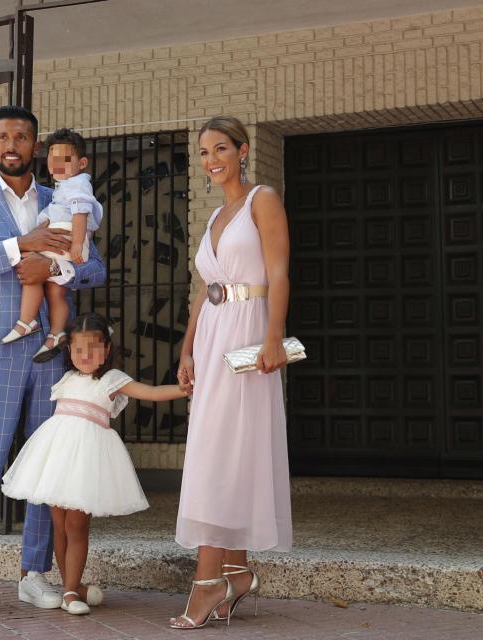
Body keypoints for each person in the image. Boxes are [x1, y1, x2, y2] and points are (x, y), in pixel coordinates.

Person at [0, 105, 107, 621]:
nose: (13, 143)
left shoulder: (67, 195)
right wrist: (18, 249)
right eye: (4, 136)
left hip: (52, 351)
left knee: (46, 470)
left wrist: (61, 269)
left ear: (36, 147)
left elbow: (95, 268)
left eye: (23, 136)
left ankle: (34, 574)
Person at [170, 116, 292, 630]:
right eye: (203, 152)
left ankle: (206, 584)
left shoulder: (262, 199)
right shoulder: (215, 217)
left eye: (220, 148)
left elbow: (280, 271)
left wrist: (273, 339)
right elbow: (206, 288)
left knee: (221, 453)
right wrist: (187, 347)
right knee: (222, 450)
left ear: (242, 151)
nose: (211, 159)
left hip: (248, 335)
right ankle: (236, 573)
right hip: (213, 335)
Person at [1, 312, 188, 614]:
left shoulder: (112, 380)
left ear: (107, 349)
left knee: (77, 524)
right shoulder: (67, 378)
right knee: (59, 526)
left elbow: (151, 393)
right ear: (69, 350)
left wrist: (185, 389)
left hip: (86, 460)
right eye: (78, 350)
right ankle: (71, 587)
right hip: (58, 456)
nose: (85, 356)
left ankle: (73, 592)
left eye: (93, 349)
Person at [1, 129, 103, 364]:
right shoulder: (63, 188)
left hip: (64, 238)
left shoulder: (77, 185)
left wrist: (77, 244)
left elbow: (80, 213)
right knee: (56, 291)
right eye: (52, 160)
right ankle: (56, 333)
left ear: (82, 162)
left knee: (31, 268)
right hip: (64, 238)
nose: (57, 165)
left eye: (65, 160)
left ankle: (27, 320)